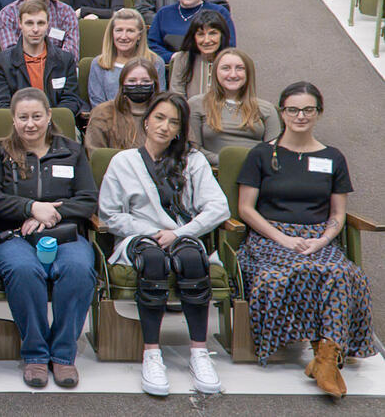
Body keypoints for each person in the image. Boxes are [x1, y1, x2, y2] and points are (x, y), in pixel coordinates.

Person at [235, 82, 372, 398]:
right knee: (288, 272)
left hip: (317, 237)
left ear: (318, 113)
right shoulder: (261, 154)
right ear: (282, 113)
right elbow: (246, 209)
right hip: (269, 237)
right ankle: (325, 358)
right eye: (293, 109)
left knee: (344, 273)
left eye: (308, 109)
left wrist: (322, 240)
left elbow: (337, 213)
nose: (300, 116)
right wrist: (282, 238)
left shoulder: (333, 157)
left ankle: (326, 357)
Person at [97, 92, 229, 397]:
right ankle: (152, 354)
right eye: (159, 118)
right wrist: (154, 232)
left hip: (182, 235)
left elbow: (218, 207)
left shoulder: (192, 161)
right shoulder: (123, 162)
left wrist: (182, 233)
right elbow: (110, 215)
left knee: (193, 259)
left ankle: (199, 353)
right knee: (153, 260)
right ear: (146, 121)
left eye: (173, 122)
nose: (164, 126)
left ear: (180, 129)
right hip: (139, 238)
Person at [0, 88, 97, 389]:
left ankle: (63, 355)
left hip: (63, 233)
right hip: (10, 233)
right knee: (23, 271)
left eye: (36, 116)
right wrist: (30, 208)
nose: (30, 124)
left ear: (48, 116)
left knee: (79, 270)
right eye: (23, 117)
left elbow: (87, 200)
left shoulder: (72, 150)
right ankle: (35, 354)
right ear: (13, 120)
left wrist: (48, 214)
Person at [0, 0, 84, 116]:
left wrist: (47, 120)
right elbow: (0, 104)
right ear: (20, 24)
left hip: (56, 123)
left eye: (41, 23)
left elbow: (71, 100)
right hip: (17, 124)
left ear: (48, 24)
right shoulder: (1, 63)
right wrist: (28, 120)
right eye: (29, 23)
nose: (35, 29)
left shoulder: (65, 60)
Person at [188, 49, 278, 166]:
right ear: (215, 72)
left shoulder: (267, 109)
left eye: (240, 68)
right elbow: (194, 149)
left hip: (256, 170)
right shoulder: (197, 104)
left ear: (248, 73)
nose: (233, 74)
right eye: (226, 68)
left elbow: (274, 151)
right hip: (213, 171)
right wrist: (230, 162)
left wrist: (251, 164)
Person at [148, 0, 236, 65]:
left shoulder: (219, 12)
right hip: (169, 66)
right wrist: (173, 57)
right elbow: (152, 45)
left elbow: (229, 45)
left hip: (209, 66)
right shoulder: (163, 13)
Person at [0, 0, 80, 60]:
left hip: (57, 68)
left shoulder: (66, 13)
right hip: (20, 68)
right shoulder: (8, 14)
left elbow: (71, 56)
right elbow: (11, 57)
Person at [88, 8, 165, 107]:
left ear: (139, 35)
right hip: (109, 116)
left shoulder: (155, 62)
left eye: (130, 31)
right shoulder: (98, 63)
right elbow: (98, 105)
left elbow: (158, 101)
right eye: (119, 30)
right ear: (112, 33)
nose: (123, 37)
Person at [84, 58, 159, 155]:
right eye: (132, 81)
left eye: (145, 81)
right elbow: (96, 154)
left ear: (154, 84)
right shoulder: (103, 112)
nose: (139, 85)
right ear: (122, 84)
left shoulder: (164, 114)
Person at [162, 14, 234, 99]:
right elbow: (177, 97)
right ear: (194, 37)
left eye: (213, 33)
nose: (206, 40)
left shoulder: (232, 60)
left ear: (222, 35)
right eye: (201, 34)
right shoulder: (183, 58)